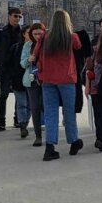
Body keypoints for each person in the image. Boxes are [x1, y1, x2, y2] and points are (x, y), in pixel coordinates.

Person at [33, 9, 84, 161]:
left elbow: (35, 53)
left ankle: (50, 148)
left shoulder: (44, 36)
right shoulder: (71, 37)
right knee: (69, 112)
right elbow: (79, 47)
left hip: (47, 79)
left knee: (50, 114)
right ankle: (73, 141)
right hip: (67, 79)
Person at [0, 7, 24, 131]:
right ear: (9, 16)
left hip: (18, 69)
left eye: (19, 16)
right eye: (15, 16)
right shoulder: (1, 32)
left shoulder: (23, 32)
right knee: (4, 95)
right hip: (5, 68)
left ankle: (17, 119)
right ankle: (1, 120)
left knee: (19, 96)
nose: (17, 19)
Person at [20, 22, 46, 147]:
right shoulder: (27, 45)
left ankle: (51, 133)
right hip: (31, 80)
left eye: (40, 34)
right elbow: (22, 64)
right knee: (35, 108)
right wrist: (28, 60)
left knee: (46, 107)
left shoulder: (47, 44)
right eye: (35, 34)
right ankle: (38, 136)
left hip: (46, 80)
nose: (37, 36)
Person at [9, 27, 31, 139]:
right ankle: (22, 125)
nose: (31, 35)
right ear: (23, 34)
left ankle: (25, 122)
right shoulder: (16, 47)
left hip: (31, 80)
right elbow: (10, 64)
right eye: (28, 32)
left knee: (30, 105)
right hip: (18, 80)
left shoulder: (36, 47)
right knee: (22, 103)